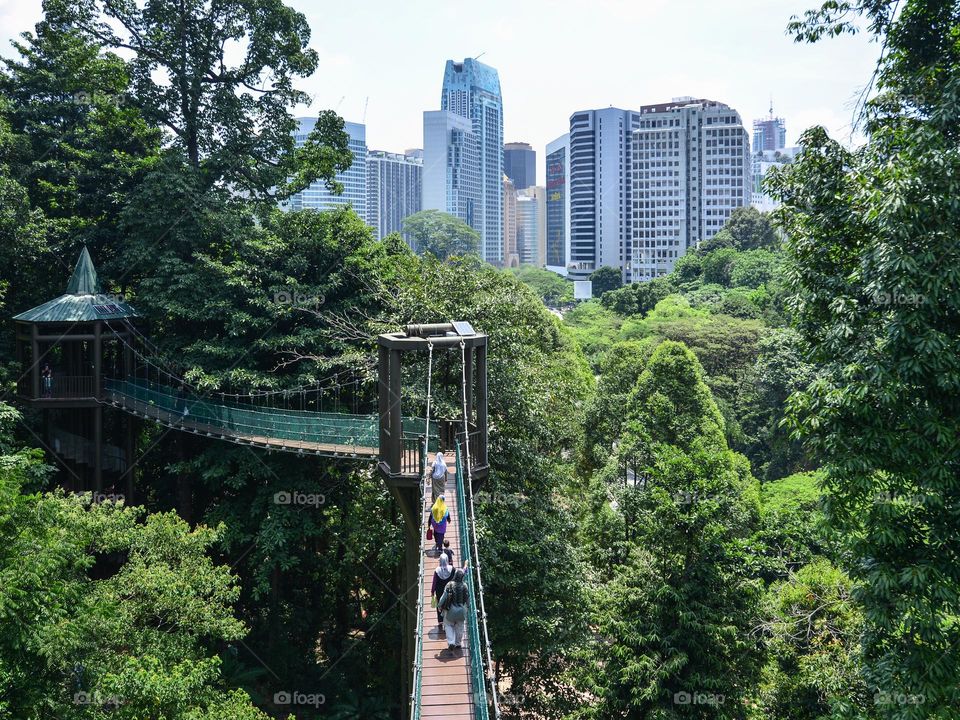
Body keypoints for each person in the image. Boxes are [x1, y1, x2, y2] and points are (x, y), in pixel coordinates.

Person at [438, 568, 469, 652]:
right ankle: (458, 643)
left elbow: (444, 596)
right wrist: (467, 608)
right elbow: (467, 599)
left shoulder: (449, 584)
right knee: (460, 627)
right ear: (462, 577)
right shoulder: (465, 586)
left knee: (448, 625)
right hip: (461, 611)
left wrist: (439, 605)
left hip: (450, 611)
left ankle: (451, 642)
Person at [430, 553, 454, 627]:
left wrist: (432, 591)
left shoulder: (437, 571)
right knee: (450, 602)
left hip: (439, 590)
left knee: (440, 603)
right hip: (449, 589)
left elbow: (434, 582)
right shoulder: (452, 569)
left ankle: (441, 620)